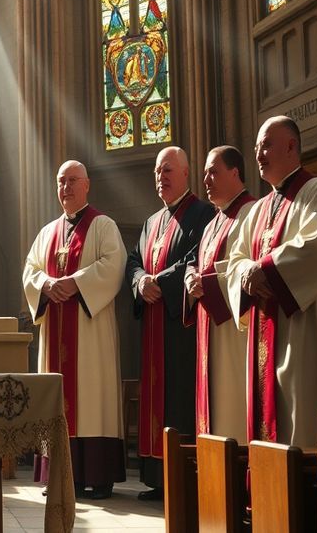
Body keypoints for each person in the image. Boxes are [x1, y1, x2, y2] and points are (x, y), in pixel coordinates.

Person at [225, 116, 317, 447]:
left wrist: (263, 268)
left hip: (303, 331)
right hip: (265, 332)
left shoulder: (316, 191)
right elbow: (235, 261)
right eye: (256, 148)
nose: (259, 154)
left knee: (302, 420)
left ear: (292, 146)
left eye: (266, 145)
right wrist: (247, 273)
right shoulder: (257, 210)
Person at [23, 160, 127, 499]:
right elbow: (30, 271)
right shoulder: (47, 232)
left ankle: (97, 476)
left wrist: (77, 284)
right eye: (61, 181)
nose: (66, 187)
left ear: (87, 185)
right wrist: (47, 284)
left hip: (89, 331)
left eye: (72, 181)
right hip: (55, 328)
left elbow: (114, 265)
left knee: (92, 397)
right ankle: (59, 476)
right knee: (57, 399)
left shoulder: (103, 225)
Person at [125, 146, 215, 500]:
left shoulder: (203, 213)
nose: (161, 177)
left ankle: (183, 477)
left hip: (181, 330)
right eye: (157, 172)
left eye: (167, 171)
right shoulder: (151, 222)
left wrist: (157, 282)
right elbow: (133, 260)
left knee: (178, 398)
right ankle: (158, 477)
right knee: (155, 400)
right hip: (153, 326)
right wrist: (138, 281)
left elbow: (197, 259)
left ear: (186, 174)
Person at [183, 147, 256, 441]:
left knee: (233, 408)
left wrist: (208, 284)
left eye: (213, 172)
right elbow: (196, 264)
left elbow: (248, 266)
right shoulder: (213, 222)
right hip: (209, 330)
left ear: (235, 172)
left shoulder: (252, 211)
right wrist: (191, 279)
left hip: (236, 332)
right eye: (204, 174)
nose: (206, 181)